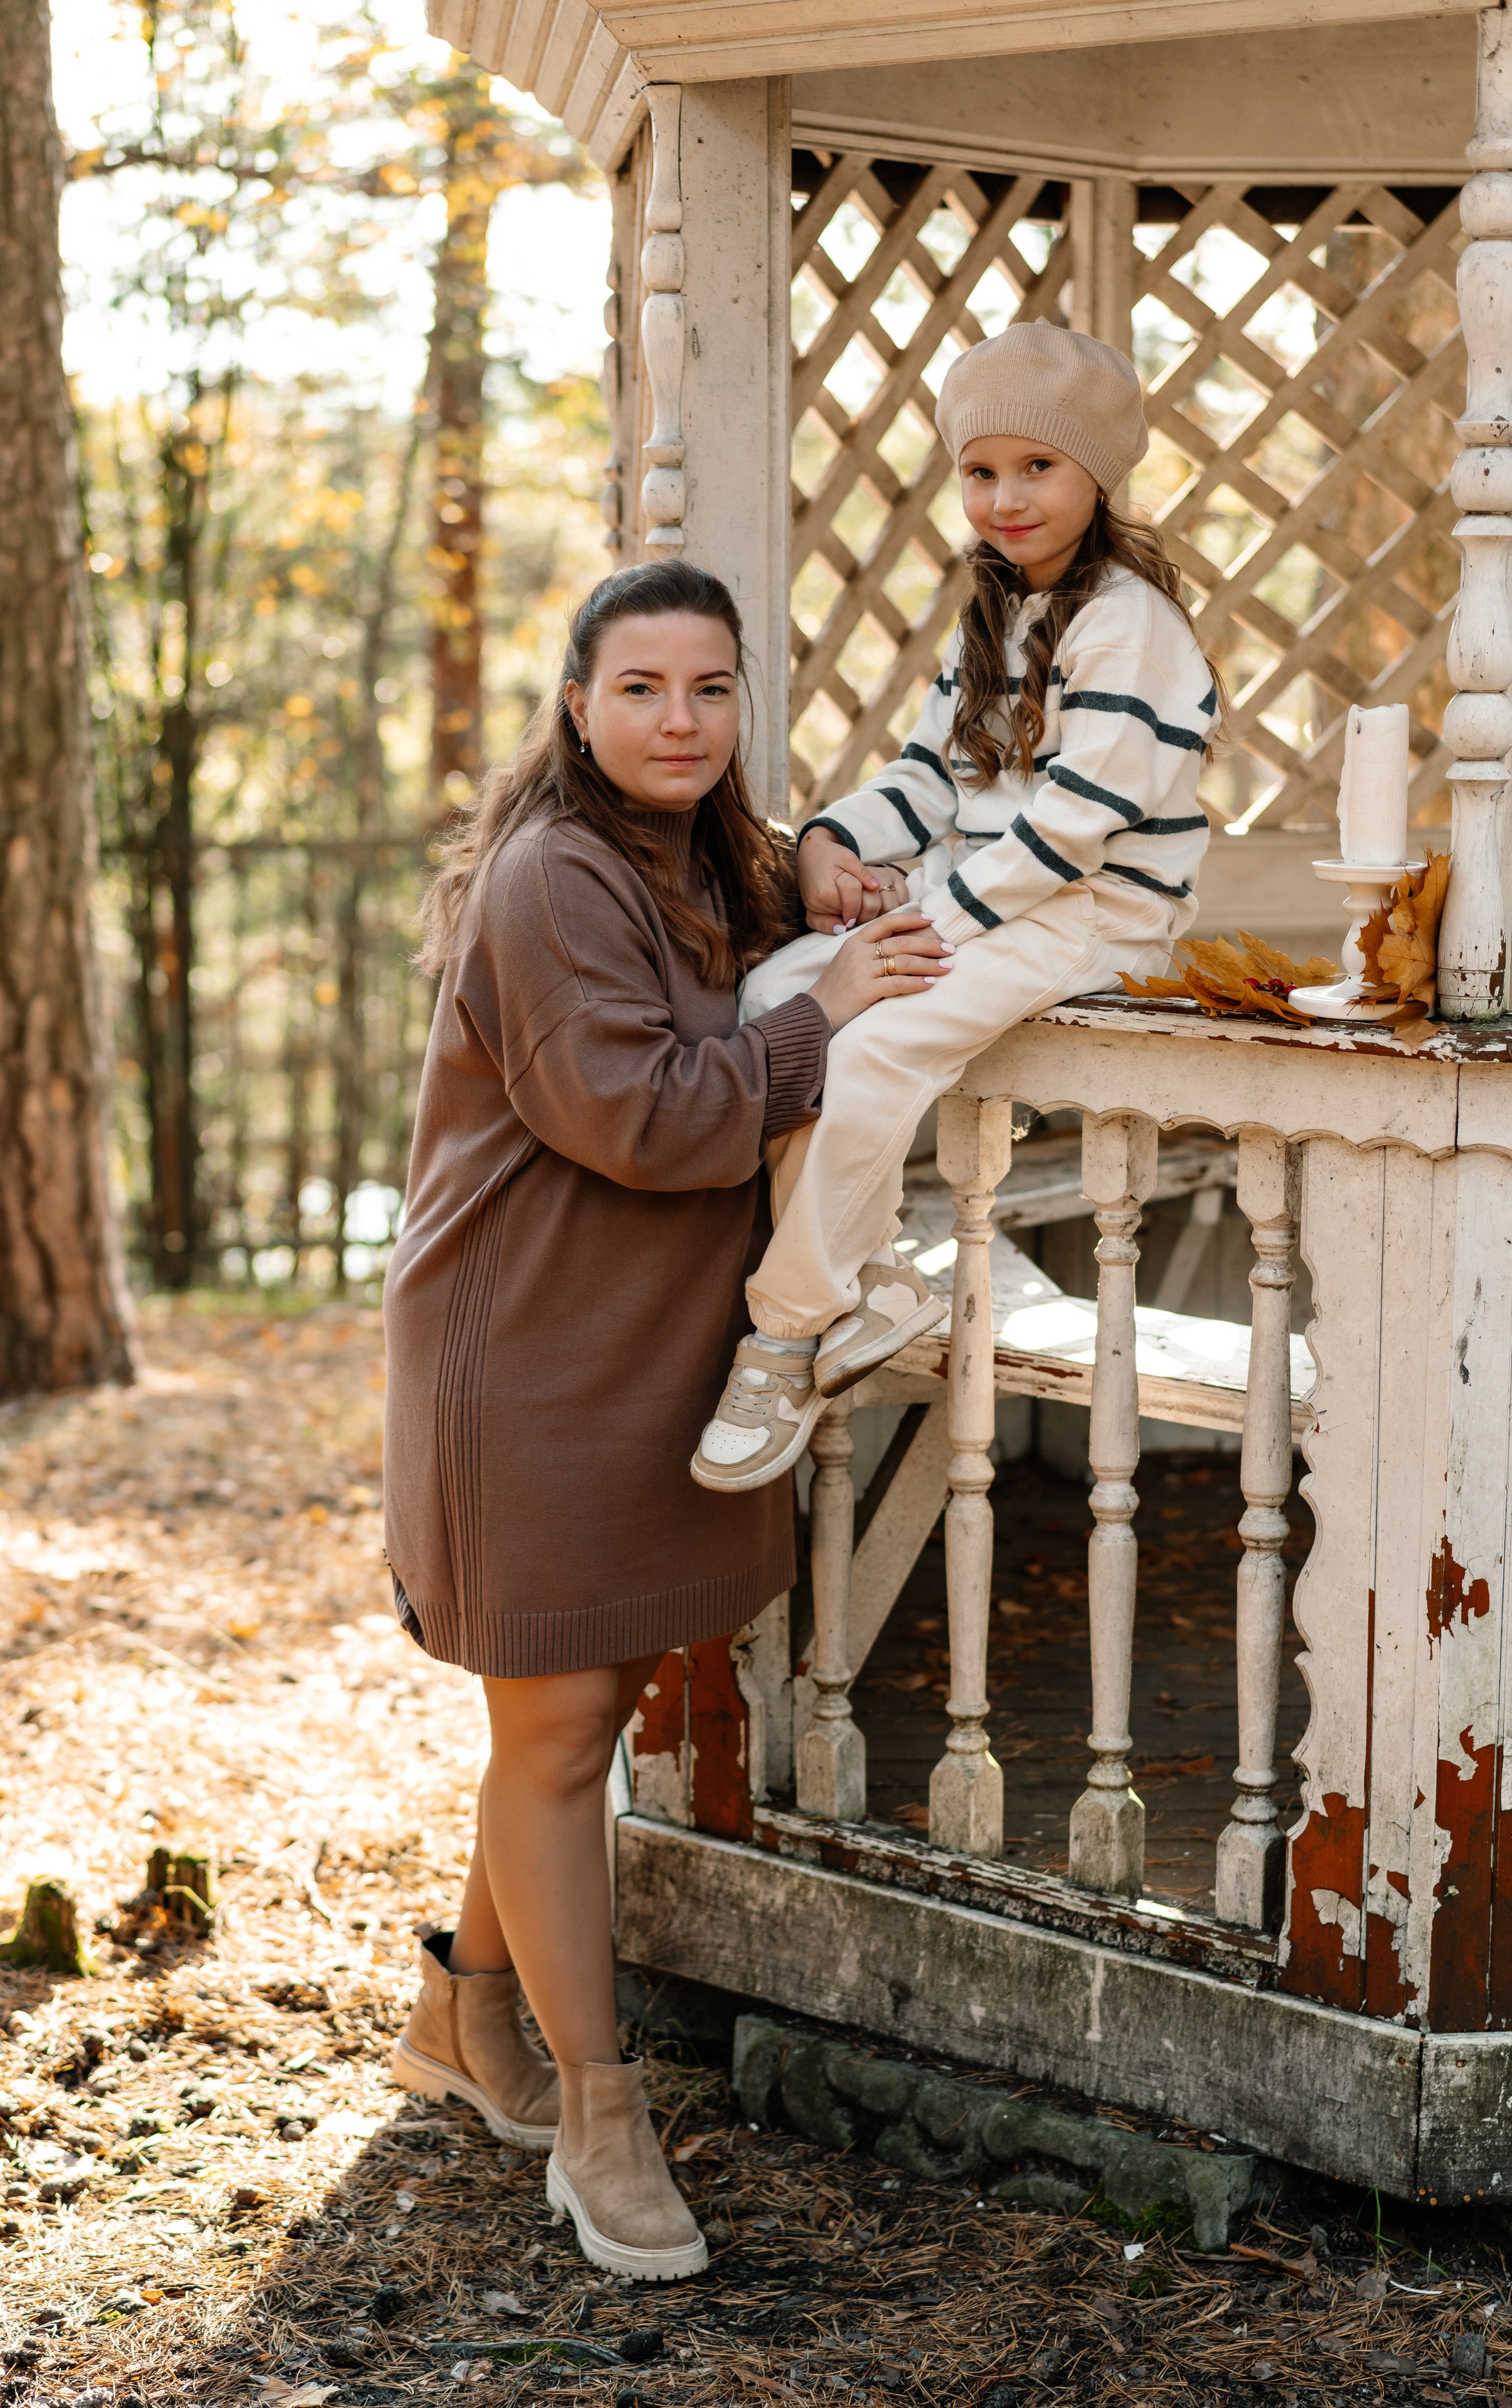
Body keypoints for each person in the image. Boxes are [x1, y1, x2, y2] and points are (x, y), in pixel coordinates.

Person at [380, 560, 950, 2281]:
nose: (682, 720)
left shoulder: (706, 845)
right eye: (643, 689)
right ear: (577, 704)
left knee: (581, 1708)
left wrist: (824, 873)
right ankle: (600, 2105)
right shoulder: (554, 872)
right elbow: (636, 1110)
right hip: (527, 1350)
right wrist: (829, 1008)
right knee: (557, 1731)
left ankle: (464, 2012)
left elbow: (776, 887)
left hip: (646, 1334)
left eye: (712, 689)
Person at [690, 321, 1223, 1492]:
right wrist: (832, 840)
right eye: (981, 470)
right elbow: (931, 777)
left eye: (1038, 466)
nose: (1006, 497)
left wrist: (934, 925)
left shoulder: (1129, 622)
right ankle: (870, 1277)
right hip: (995, 902)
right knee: (778, 993)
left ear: (1097, 471)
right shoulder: (995, 614)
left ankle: (785, 1330)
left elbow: (1080, 824)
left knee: (874, 1043)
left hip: (1098, 918)